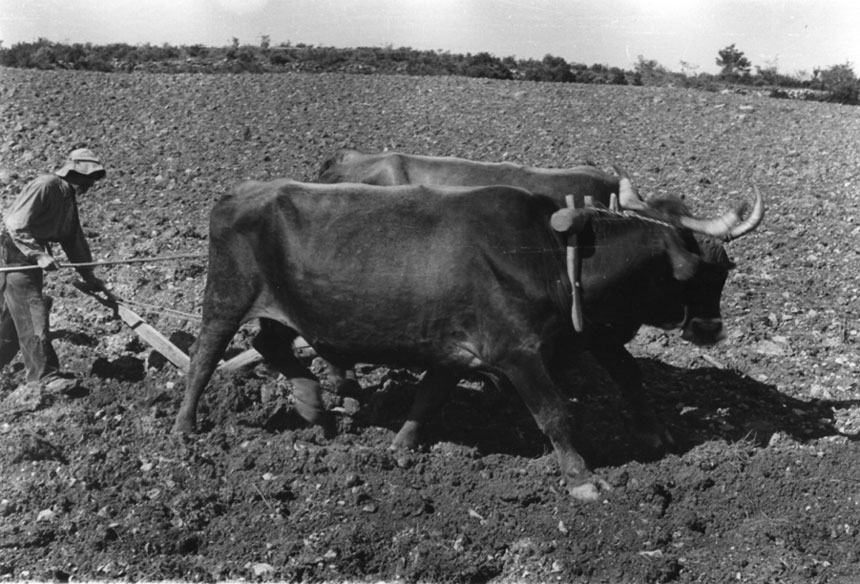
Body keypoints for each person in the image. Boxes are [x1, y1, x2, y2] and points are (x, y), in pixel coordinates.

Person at [0, 148, 112, 393]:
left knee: (11, 316)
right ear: (75, 172)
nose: (92, 184)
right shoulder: (47, 185)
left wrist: (89, 276)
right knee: (32, 308)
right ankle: (44, 377)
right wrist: (39, 255)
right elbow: (14, 223)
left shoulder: (67, 197)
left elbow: (73, 240)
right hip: (15, 252)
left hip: (28, 252)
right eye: (90, 177)